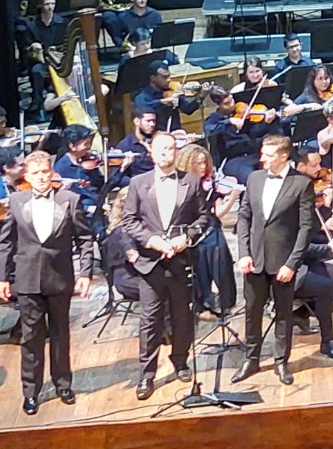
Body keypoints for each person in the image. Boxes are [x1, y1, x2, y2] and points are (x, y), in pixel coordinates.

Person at [0, 151, 93, 415]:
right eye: (35, 173)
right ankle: (31, 392)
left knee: (61, 334)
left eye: (45, 172)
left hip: (60, 277)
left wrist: (85, 272)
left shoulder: (70, 200)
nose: (41, 178)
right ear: (26, 176)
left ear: (52, 174)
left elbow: (85, 239)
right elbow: (6, 242)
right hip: (28, 279)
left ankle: (63, 384)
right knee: (31, 337)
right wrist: (2, 277)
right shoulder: (16, 201)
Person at [121, 132, 213, 400]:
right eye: (161, 149)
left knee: (183, 316)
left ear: (176, 152)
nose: (166, 153)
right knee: (150, 320)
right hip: (151, 263)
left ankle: (181, 361)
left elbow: (203, 217)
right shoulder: (138, 183)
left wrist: (188, 238)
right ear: (151, 152)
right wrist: (151, 241)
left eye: (171, 149)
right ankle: (146, 375)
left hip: (181, 259)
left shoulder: (192, 181)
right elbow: (129, 221)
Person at [233, 134, 316, 385]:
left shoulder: (301, 184)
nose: (261, 158)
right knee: (252, 311)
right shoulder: (254, 178)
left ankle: (281, 361)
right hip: (255, 258)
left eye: (268, 155)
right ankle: (252, 358)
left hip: (283, 262)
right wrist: (244, 253)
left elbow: (305, 228)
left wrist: (292, 264)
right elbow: (244, 217)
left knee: (283, 314)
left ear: (283, 156)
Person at [291, 143, 333, 360]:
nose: (320, 168)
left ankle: (300, 313)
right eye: (314, 164)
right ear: (300, 166)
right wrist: (327, 248)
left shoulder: (310, 188)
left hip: (311, 251)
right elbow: (299, 242)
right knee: (326, 286)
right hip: (295, 262)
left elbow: (312, 227)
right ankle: (328, 340)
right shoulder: (295, 193)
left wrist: (326, 210)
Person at [178, 144, 239, 316]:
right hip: (190, 230)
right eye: (198, 163)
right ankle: (203, 302)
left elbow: (218, 213)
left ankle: (224, 302)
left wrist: (232, 197)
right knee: (201, 262)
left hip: (211, 227)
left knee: (220, 259)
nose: (203, 167)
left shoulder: (210, 183)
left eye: (205, 162)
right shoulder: (180, 185)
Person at [203, 87, 261, 183]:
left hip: (253, 153)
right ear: (218, 105)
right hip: (233, 159)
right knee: (251, 179)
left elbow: (257, 132)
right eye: (227, 103)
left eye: (232, 100)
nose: (232, 104)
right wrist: (228, 121)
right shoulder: (215, 118)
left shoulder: (242, 112)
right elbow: (208, 130)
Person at [134, 60, 202, 132]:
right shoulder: (143, 96)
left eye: (169, 76)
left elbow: (188, 109)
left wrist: (201, 96)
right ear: (153, 78)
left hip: (176, 134)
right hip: (155, 137)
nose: (169, 80)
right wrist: (162, 102)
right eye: (164, 77)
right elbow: (143, 108)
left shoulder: (173, 92)